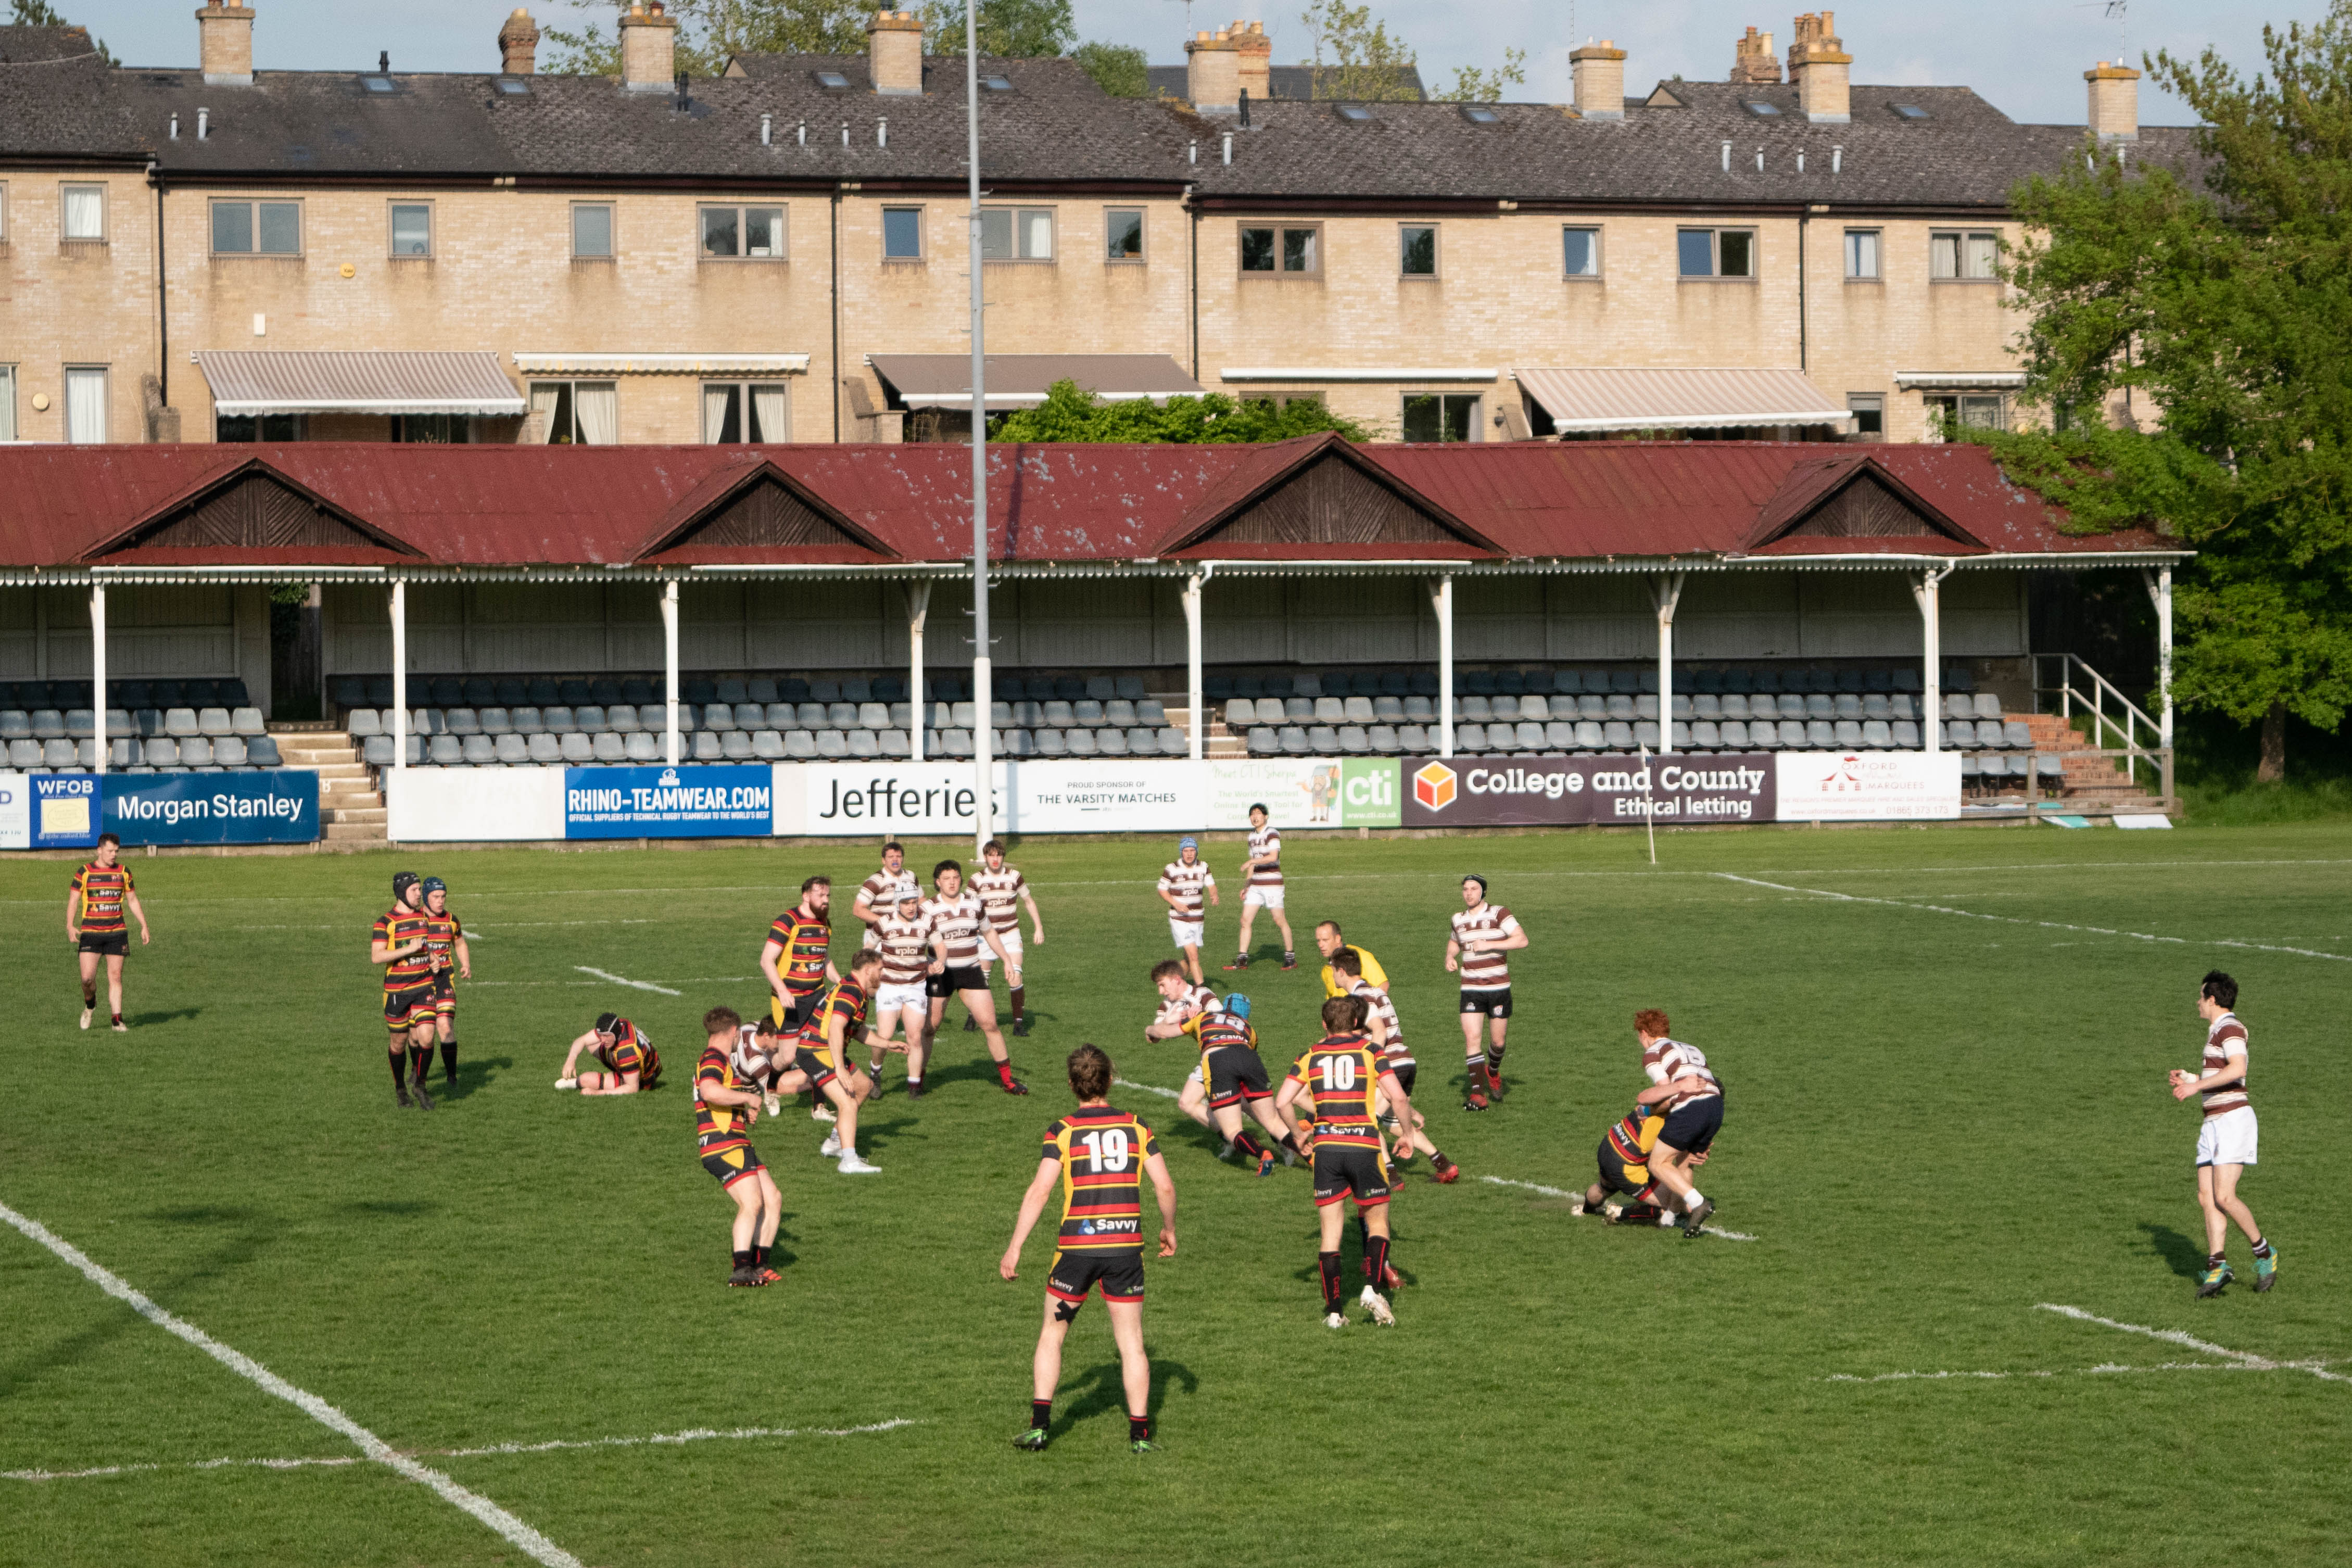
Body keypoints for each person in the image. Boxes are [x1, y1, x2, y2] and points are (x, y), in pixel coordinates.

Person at [1000, 1044, 1177, 1454]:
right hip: (1125, 1247)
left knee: (1052, 1335)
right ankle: (1140, 1436)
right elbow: (1164, 1185)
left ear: (1071, 1084)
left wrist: (1015, 1248)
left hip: (1076, 1249)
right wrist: (1169, 1230)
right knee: (1131, 1343)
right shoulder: (1137, 1126)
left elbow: (1041, 1189)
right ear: (1110, 1079)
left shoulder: (1063, 1130)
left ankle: (1040, 1427)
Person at [1275, 994, 1418, 1328]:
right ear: (1357, 1023)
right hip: (1364, 1147)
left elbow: (1283, 1101)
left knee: (1330, 1233)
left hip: (1327, 1151)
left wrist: (1298, 1134)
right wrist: (1407, 1134)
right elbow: (1397, 1096)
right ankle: (1370, 1288)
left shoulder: (1309, 1055)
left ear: (1324, 1025)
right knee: (1379, 1221)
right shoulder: (1371, 1052)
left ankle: (1336, 1313)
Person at [2170, 971, 2277, 1297]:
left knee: (2225, 1197)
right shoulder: (2217, 1029)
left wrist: (2195, 1087)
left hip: (2232, 1120)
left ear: (2212, 1000)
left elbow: (2238, 1068)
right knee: (2207, 1197)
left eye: (2201, 997)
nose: (2198, 1003)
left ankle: (2265, 1255)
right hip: (2213, 1122)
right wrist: (2192, 1076)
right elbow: (2224, 1073)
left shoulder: (2229, 1028)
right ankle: (2218, 1267)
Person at [1330, 949, 1458, 1183]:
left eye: (1332, 971)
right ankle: (1444, 1165)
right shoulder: (1375, 991)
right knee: (1394, 1123)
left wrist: (1370, 1064)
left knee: (1364, 1119)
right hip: (1405, 1062)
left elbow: (1379, 1031)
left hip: (1389, 1064)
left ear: (1341, 972)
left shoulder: (1358, 999)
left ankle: (1391, 1176)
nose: (1332, 976)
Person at [693, 1005, 784, 1286]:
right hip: (723, 1144)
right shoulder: (714, 1058)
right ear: (733, 1032)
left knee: (773, 1198)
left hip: (735, 1140)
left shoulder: (720, 1060)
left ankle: (760, 1264)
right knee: (752, 1202)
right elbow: (709, 1091)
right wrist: (747, 1099)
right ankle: (741, 1269)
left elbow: (717, 1096)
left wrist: (742, 1111)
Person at [922, 859, 1029, 1097]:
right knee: (930, 1028)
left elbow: (989, 932)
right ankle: (917, 1079)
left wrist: (1007, 960)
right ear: (938, 882)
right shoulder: (928, 908)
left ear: (961, 880)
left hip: (971, 970)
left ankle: (1008, 1080)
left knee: (990, 1025)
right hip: (942, 974)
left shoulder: (974, 903)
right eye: (947, 878)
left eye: (956, 878)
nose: (952, 882)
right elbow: (918, 940)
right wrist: (924, 968)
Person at [1174, 993, 1301, 1174]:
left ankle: (1275, 1141)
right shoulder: (1247, 1028)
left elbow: (1178, 1027)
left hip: (1217, 1058)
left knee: (1246, 1104)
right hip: (1218, 1059)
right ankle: (1239, 1139)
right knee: (1188, 1102)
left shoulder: (1207, 1015)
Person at [793, 950, 885, 1173]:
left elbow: (856, 1031)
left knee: (864, 1086)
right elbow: (835, 1028)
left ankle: (836, 1142)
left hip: (823, 1048)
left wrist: (889, 1044)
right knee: (848, 1103)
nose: (883, 974)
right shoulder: (851, 992)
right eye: (881, 969)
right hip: (815, 1049)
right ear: (868, 969)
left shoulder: (856, 989)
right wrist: (840, 1069)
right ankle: (849, 1160)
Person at [1633, 1009, 1723, 1237]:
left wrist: (1647, 1110)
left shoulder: (1653, 1053)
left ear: (1644, 1033)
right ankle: (1671, 1219)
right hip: (1716, 1106)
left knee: (1658, 1163)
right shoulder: (1691, 1048)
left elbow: (1667, 1094)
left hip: (1690, 1109)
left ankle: (1698, 1202)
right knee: (1683, 1164)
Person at [1445, 875, 1526, 1110]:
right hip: (1471, 988)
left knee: (1498, 1043)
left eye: (1474, 889)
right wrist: (1450, 957)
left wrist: (1490, 944)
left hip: (1498, 988)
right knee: (1472, 1039)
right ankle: (1477, 1095)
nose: (1469, 893)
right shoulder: (1458, 919)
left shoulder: (1499, 913)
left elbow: (1522, 940)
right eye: (1465, 889)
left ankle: (1493, 1071)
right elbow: (1455, 942)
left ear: (1483, 892)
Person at [370, 871, 439, 1110]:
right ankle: (401, 1088)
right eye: (415, 890)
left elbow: (425, 945)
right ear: (402, 892)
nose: (420, 895)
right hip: (397, 992)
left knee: (428, 1037)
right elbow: (377, 957)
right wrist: (408, 950)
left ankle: (420, 1085)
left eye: (420, 890)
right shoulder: (385, 922)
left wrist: (433, 958)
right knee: (398, 1044)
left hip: (424, 986)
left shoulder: (423, 917)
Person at [67, 832, 148, 1032]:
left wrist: (144, 925)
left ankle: (117, 1020)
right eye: (110, 851)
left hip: (117, 932)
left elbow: (133, 900)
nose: (114, 855)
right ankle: (90, 1005)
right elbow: (73, 901)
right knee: (87, 979)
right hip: (91, 933)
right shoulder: (84, 872)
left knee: (116, 976)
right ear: (100, 850)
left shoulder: (124, 873)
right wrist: (70, 925)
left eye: (117, 851)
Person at [861, 888, 934, 1096]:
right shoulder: (883, 923)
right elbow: (869, 949)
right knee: (885, 1036)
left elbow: (940, 945)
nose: (911, 907)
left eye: (914, 903)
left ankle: (914, 1086)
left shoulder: (927, 922)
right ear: (897, 904)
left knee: (915, 1037)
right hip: (889, 986)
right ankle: (876, 1071)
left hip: (916, 986)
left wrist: (940, 962)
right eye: (906, 903)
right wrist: (869, 974)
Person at [971, 840, 1044, 1038]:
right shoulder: (976, 880)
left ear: (1003, 857)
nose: (995, 859)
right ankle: (973, 1014)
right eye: (991, 855)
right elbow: (968, 910)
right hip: (985, 936)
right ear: (985, 857)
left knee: (1015, 976)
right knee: (981, 981)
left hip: (1011, 935)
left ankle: (1018, 1024)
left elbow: (1028, 901)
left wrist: (1039, 928)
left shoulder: (1014, 877)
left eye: (999, 855)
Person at [761, 876, 839, 1033]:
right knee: (787, 1055)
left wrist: (840, 982)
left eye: (827, 896)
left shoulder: (825, 924)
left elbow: (824, 959)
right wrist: (782, 991)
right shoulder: (788, 921)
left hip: (818, 995)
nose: (826, 901)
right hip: (791, 998)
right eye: (821, 896)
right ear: (806, 896)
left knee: (818, 1044)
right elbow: (766, 960)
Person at [1226, 804, 1296, 972]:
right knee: (1245, 920)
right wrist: (1247, 885)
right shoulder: (1251, 836)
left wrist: (1252, 862)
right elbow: (1253, 862)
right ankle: (1242, 959)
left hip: (1272, 884)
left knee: (1279, 919)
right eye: (1252, 814)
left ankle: (1290, 957)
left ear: (1266, 817)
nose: (1254, 817)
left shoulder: (1272, 833)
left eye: (1258, 813)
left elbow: (1273, 856)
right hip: (1256, 885)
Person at [1583, 1102, 1672, 1224]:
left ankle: (1585, 1211)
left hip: (1610, 1143)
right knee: (1675, 1202)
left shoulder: (1661, 1094)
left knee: (1605, 1188)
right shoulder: (1671, 1115)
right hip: (1625, 1164)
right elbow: (1650, 1153)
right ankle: (1620, 1214)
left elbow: (1642, 1105)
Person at [420, 877, 470, 1089]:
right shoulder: (415, 921)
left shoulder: (451, 920)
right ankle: (417, 1071)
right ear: (425, 898)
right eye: (436, 897)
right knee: (418, 1035)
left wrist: (465, 964)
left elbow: (459, 942)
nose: (441, 901)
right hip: (419, 981)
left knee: (445, 1026)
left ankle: (451, 1076)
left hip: (444, 979)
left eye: (443, 897)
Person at [1156, 837, 1219, 986]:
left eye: (1192, 851)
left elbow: (1211, 885)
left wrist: (1214, 894)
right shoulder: (1172, 869)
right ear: (1181, 852)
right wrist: (1175, 903)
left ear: (1196, 851)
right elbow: (1162, 890)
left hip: (1197, 918)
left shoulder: (1203, 866)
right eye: (1186, 851)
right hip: (1180, 919)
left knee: (1189, 959)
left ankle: (1170, 981)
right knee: (1194, 956)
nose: (1189, 854)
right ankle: (1203, 990)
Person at [557, 1012, 663, 1095]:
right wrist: (571, 1060)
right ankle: (618, 1067)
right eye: (601, 1035)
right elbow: (582, 1040)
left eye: (607, 1036)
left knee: (585, 1080)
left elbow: (632, 1089)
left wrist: (597, 1093)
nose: (603, 1040)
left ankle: (575, 1083)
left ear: (615, 1033)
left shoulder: (627, 1051)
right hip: (641, 1061)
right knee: (591, 1044)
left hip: (643, 1079)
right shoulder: (620, 1024)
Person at [851, 842, 918, 951]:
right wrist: (887, 922)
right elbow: (858, 910)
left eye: (898, 857)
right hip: (879, 937)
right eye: (891, 857)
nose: (895, 860)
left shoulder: (911, 877)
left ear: (903, 859)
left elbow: (921, 900)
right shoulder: (875, 881)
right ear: (884, 860)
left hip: (905, 934)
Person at [1141, 959, 1218, 1045]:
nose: (1160, 992)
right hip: (1207, 1050)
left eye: (1163, 985)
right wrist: (1167, 1021)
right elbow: (1153, 1038)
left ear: (1177, 980)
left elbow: (1227, 1024)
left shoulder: (1203, 996)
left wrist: (1201, 1016)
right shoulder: (1166, 1005)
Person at [1314, 920, 1386, 1000]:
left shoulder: (1360, 956)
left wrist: (1366, 1010)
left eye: (1325, 940)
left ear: (1338, 939)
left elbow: (1383, 986)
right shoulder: (1327, 969)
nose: (1320, 945)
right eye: (1318, 940)